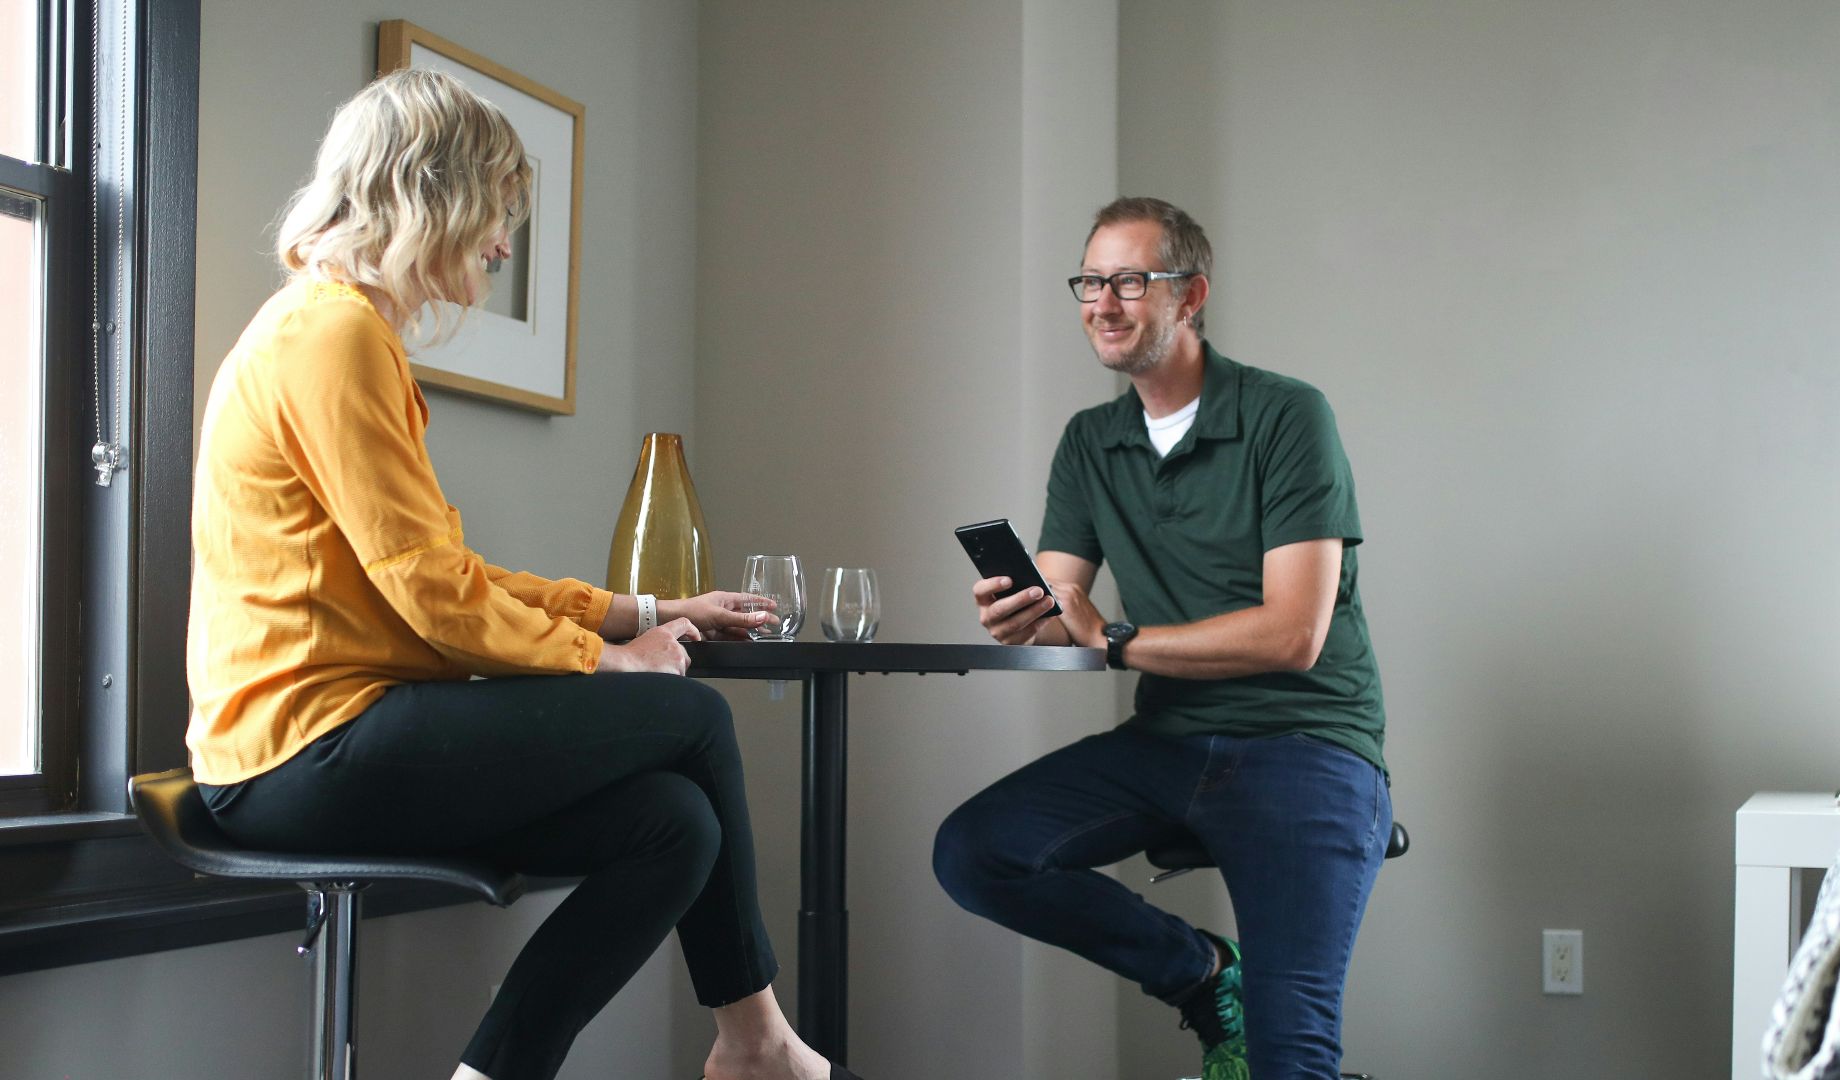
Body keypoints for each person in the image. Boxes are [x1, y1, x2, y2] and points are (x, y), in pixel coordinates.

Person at [186, 69, 862, 1080]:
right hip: (296, 751)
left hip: (332, 736)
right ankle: (759, 1045)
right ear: (433, 196)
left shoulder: (336, 330)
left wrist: (646, 609)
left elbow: (442, 571)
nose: (504, 243)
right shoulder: (332, 336)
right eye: (499, 211)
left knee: (674, 824)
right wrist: (612, 661)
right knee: (692, 717)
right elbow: (434, 595)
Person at [932, 197, 1391, 1079]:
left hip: (1309, 744)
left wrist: (1116, 640)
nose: (1104, 302)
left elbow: (1294, 635)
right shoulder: (1091, 440)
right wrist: (1021, 615)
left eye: (1131, 281)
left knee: (1290, 1056)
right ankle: (1202, 973)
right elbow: (1064, 603)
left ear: (1191, 295)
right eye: (1091, 281)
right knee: (974, 852)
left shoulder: (1287, 416)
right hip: (1171, 742)